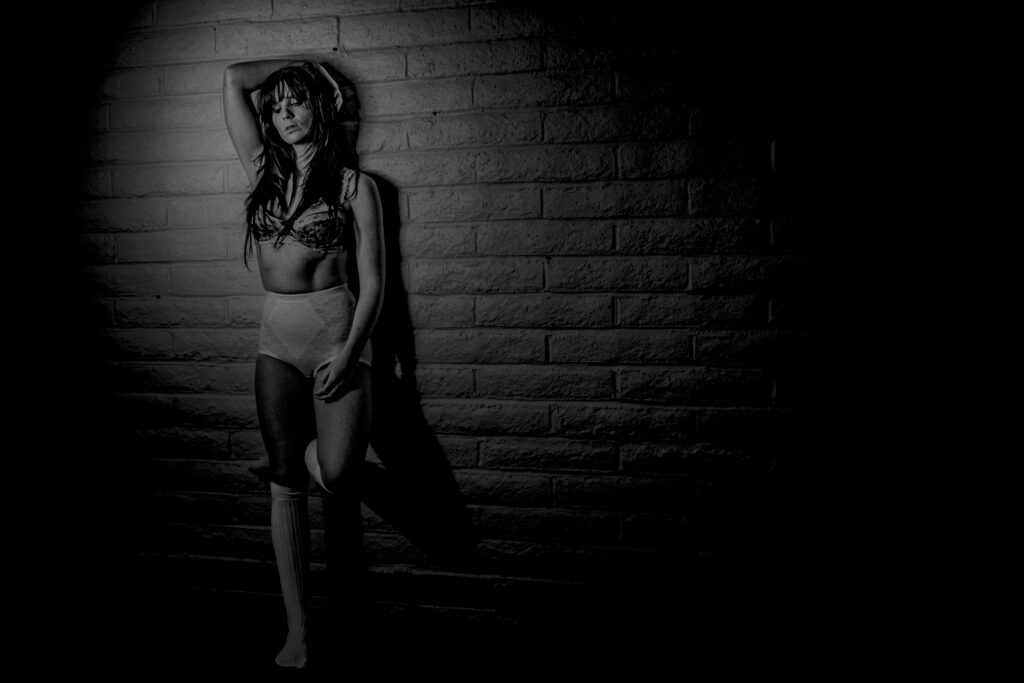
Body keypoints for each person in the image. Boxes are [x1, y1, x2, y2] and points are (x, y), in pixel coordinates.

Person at [222, 59, 384, 669]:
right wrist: (303, 68)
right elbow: (234, 78)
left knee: (337, 475)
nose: (284, 113)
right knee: (285, 482)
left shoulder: (354, 186)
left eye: (297, 101)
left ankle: (309, 450)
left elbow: (375, 285)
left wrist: (350, 354)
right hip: (275, 342)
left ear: (321, 105)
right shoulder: (262, 172)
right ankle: (298, 632)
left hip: (334, 338)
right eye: (276, 105)